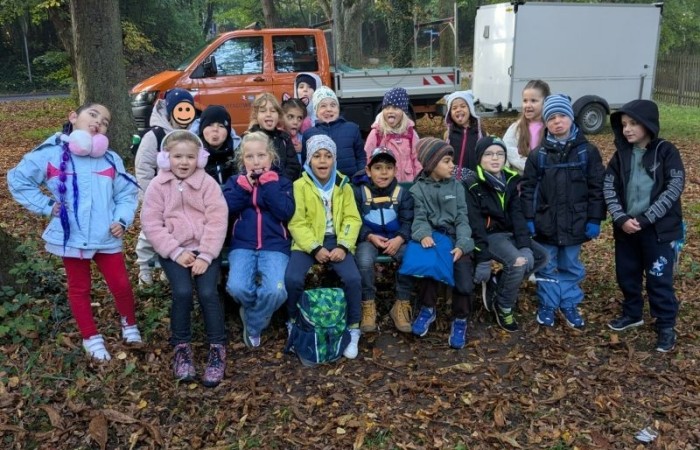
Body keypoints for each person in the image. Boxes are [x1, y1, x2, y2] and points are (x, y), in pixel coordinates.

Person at [8, 102, 142, 361]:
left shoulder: (110, 159)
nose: (98, 122)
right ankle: (91, 337)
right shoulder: (50, 154)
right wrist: (47, 206)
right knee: (79, 288)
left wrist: (121, 219)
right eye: (93, 114)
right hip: (73, 237)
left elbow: (127, 194)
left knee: (121, 284)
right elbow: (19, 179)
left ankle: (130, 325)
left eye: (105, 121)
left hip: (106, 236)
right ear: (73, 117)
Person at [140, 130, 228, 387]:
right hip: (174, 249)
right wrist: (175, 251)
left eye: (190, 157)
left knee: (208, 292)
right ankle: (181, 347)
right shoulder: (158, 185)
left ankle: (217, 348)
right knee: (182, 291)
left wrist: (207, 254)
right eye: (178, 156)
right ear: (166, 158)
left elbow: (217, 219)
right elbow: (151, 223)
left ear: (199, 159)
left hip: (204, 249)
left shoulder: (207, 183)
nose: (184, 162)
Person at [604, 99, 685, 352]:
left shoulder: (666, 151)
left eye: (633, 123)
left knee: (658, 278)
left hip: (658, 231)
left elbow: (674, 186)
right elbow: (609, 186)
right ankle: (632, 313)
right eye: (624, 124)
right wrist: (620, 218)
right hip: (627, 229)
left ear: (648, 124)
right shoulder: (621, 156)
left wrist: (646, 218)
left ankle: (666, 324)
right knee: (627, 274)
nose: (627, 129)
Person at [520, 94, 606, 329]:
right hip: (546, 221)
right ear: (545, 123)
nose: (557, 121)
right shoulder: (538, 155)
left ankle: (568, 302)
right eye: (551, 118)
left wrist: (595, 218)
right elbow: (528, 189)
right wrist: (529, 217)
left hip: (576, 222)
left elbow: (597, 188)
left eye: (562, 116)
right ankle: (548, 303)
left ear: (571, 118)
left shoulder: (587, 152)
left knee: (570, 264)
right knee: (547, 265)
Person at [284, 134, 363, 359]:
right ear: (309, 160)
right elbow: (297, 222)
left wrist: (343, 246)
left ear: (334, 160)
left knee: (353, 279)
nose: (322, 160)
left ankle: (353, 328)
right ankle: (293, 322)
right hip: (308, 242)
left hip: (337, 240)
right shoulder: (300, 185)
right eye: (317, 156)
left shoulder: (343, 185)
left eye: (328, 156)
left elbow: (352, 219)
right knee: (292, 279)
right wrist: (315, 248)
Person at [465, 136, 549, 332]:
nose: (495, 158)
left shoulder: (510, 180)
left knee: (542, 256)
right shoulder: (472, 184)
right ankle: (503, 306)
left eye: (500, 154)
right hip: (489, 236)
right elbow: (475, 224)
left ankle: (499, 282)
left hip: (508, 233)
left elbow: (517, 215)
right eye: (488, 154)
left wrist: (525, 245)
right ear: (479, 158)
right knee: (517, 262)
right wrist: (483, 258)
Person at [222, 132, 295, 348]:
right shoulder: (235, 182)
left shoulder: (282, 182)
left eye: (261, 155)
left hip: (275, 246)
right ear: (242, 160)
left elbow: (285, 212)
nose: (256, 162)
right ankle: (259, 313)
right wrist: (243, 188)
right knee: (237, 288)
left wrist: (270, 186)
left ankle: (253, 323)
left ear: (271, 157)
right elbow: (224, 208)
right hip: (242, 245)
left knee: (276, 291)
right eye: (249, 156)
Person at [410, 138, 475, 349]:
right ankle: (427, 309)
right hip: (434, 237)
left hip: (456, 238)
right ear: (431, 164)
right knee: (428, 266)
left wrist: (463, 244)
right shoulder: (418, 189)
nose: (452, 165)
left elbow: (462, 218)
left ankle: (460, 319)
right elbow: (419, 218)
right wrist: (423, 234)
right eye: (446, 161)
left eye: (451, 161)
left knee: (464, 279)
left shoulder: (457, 187)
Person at [134, 88, 198, 285]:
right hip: (157, 194)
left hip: (183, 195)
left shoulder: (193, 136)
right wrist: (148, 195)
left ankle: (166, 267)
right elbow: (144, 167)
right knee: (149, 233)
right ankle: (144, 269)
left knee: (176, 231)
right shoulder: (155, 135)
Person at [352, 147, 415, 333]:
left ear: (396, 170)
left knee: (410, 256)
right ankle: (368, 303)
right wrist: (369, 236)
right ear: (368, 171)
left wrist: (400, 238)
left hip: (396, 239)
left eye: (388, 168)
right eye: (378, 168)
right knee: (364, 260)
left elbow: (408, 220)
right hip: (369, 239)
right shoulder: (358, 192)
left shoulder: (402, 193)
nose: (384, 172)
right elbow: (354, 219)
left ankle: (401, 303)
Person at [301, 86, 366, 179]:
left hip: (350, 183)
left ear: (338, 108)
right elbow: (306, 164)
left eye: (333, 105)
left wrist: (360, 179)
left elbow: (361, 158)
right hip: (321, 184)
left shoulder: (352, 128)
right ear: (316, 112)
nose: (329, 109)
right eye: (323, 106)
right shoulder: (309, 134)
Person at [364, 87, 421, 182]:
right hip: (384, 183)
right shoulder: (377, 133)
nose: (390, 111)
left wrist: (418, 178)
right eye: (387, 108)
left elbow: (417, 158)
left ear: (403, 112)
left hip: (408, 182)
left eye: (395, 108)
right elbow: (367, 157)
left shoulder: (410, 133)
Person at [247, 93, 301, 180]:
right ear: (256, 115)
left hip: (282, 185)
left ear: (278, 115)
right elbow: (241, 167)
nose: (268, 114)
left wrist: (279, 182)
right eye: (263, 111)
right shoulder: (248, 139)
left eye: (273, 111)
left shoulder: (284, 138)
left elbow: (294, 166)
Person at [503, 80, 551, 174]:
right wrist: (529, 165)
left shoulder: (550, 128)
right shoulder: (516, 128)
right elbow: (506, 149)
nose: (528, 105)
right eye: (525, 101)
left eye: (533, 101)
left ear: (545, 102)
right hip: (521, 178)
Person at [443, 90, 486, 181]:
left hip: (476, 179)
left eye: (463, 106)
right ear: (449, 113)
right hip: (454, 181)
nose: (458, 110)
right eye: (454, 108)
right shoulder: (448, 134)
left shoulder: (480, 133)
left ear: (470, 109)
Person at [198, 105, 238, 185]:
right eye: (210, 125)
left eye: (221, 126)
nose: (215, 129)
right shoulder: (194, 153)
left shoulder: (238, 152)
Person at [281, 98, 308, 164]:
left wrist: (304, 150)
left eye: (299, 118)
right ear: (281, 117)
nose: (295, 122)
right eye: (290, 117)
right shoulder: (278, 138)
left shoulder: (304, 140)